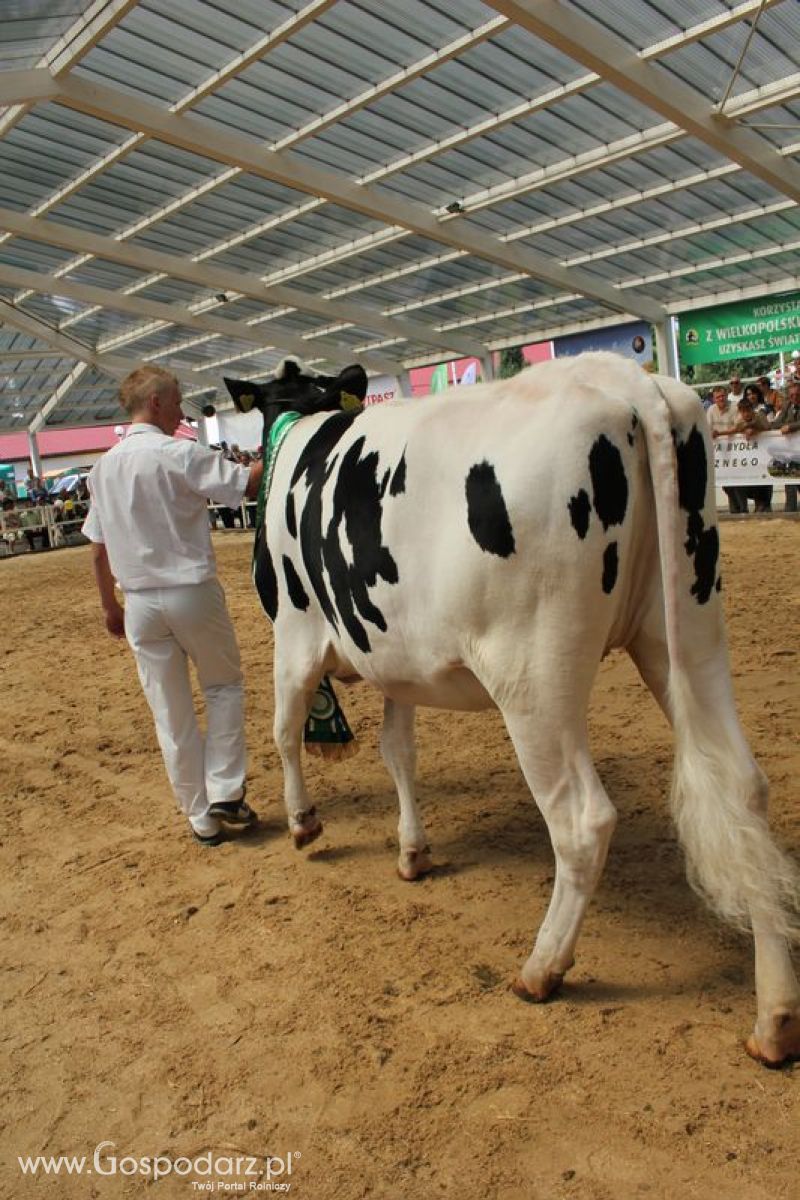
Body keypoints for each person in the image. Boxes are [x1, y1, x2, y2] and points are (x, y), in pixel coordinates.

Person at [83, 365, 264, 846]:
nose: (183, 408)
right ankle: (225, 789)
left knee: (170, 710)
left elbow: (97, 549)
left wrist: (109, 608)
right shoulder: (178, 452)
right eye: (178, 398)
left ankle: (200, 816)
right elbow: (247, 484)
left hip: (138, 602)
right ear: (157, 401)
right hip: (191, 592)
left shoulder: (102, 468)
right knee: (224, 686)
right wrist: (287, 441)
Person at [706, 384, 748, 514]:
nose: (721, 399)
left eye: (723, 396)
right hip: (720, 453)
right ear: (714, 399)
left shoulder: (735, 407)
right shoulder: (711, 410)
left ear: (726, 395)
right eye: (717, 397)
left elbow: (739, 426)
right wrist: (713, 432)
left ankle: (743, 509)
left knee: (738, 481)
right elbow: (707, 427)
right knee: (725, 482)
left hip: (736, 450)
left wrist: (719, 433)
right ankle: (735, 509)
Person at [734, 391, 772, 512]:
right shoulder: (739, 421)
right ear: (740, 412)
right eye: (743, 411)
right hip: (748, 458)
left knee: (764, 480)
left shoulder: (760, 415)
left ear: (752, 409)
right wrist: (746, 429)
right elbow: (736, 429)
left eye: (748, 410)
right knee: (741, 481)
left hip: (763, 456)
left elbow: (768, 428)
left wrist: (754, 429)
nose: (745, 414)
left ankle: (763, 506)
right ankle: (745, 509)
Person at [774, 381, 800, 512]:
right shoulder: (787, 406)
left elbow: (790, 425)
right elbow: (777, 423)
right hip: (790, 453)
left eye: (797, 394)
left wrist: (790, 427)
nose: (794, 397)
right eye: (792, 395)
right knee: (790, 482)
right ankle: (790, 513)